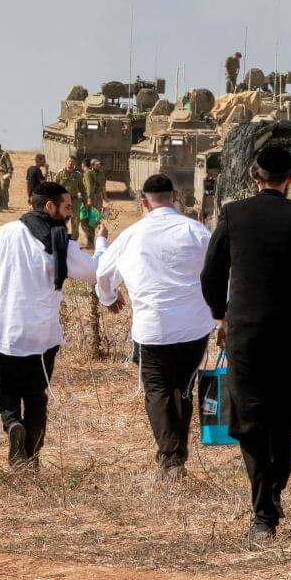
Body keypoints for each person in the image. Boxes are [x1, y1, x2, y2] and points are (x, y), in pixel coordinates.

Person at [201, 147, 291, 544]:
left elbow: (211, 275)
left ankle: (263, 513)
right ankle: (274, 492)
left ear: (252, 177)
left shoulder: (233, 214)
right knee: (284, 416)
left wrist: (220, 315)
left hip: (246, 331)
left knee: (250, 418)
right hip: (290, 334)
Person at [0, 182, 109, 469]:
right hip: (43, 338)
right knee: (36, 395)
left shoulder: (6, 233)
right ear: (49, 206)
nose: (70, 213)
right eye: (66, 207)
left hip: (8, 333)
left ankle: (13, 423)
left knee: (6, 391)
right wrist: (101, 242)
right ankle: (31, 455)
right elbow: (95, 273)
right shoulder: (61, 243)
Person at [96, 174, 214, 481]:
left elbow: (103, 273)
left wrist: (109, 298)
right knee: (184, 388)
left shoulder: (132, 235)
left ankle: (171, 457)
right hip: (194, 327)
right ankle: (176, 454)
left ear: (143, 202)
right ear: (174, 196)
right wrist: (223, 316)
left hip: (152, 329)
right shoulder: (196, 230)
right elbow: (220, 272)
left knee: (158, 391)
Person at [53, 156, 86, 240]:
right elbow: (54, 187)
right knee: (62, 221)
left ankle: (74, 240)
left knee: (75, 221)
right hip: (63, 201)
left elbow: (82, 189)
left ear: (74, 164)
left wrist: (85, 202)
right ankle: (61, 240)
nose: (70, 163)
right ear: (66, 162)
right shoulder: (60, 173)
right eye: (69, 161)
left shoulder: (77, 175)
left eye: (72, 162)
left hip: (74, 201)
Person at [82, 159, 105, 248]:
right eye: (97, 164)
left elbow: (93, 187)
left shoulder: (95, 173)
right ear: (92, 165)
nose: (99, 166)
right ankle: (93, 241)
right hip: (94, 197)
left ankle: (92, 241)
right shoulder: (90, 173)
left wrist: (89, 198)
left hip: (95, 198)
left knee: (90, 219)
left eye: (99, 164)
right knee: (92, 219)